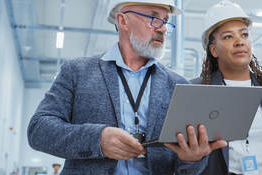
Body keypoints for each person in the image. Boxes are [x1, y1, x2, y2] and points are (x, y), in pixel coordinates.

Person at [27, 0, 226, 174]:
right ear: (123, 21)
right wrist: (98, 139)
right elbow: (38, 130)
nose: (163, 28)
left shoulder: (178, 85)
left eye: (165, 21)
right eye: (154, 18)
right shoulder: (78, 71)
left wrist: (192, 159)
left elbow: (185, 169)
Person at [191, 1, 262, 174]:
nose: (239, 42)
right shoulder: (196, 91)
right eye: (228, 37)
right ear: (214, 50)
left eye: (244, 35)